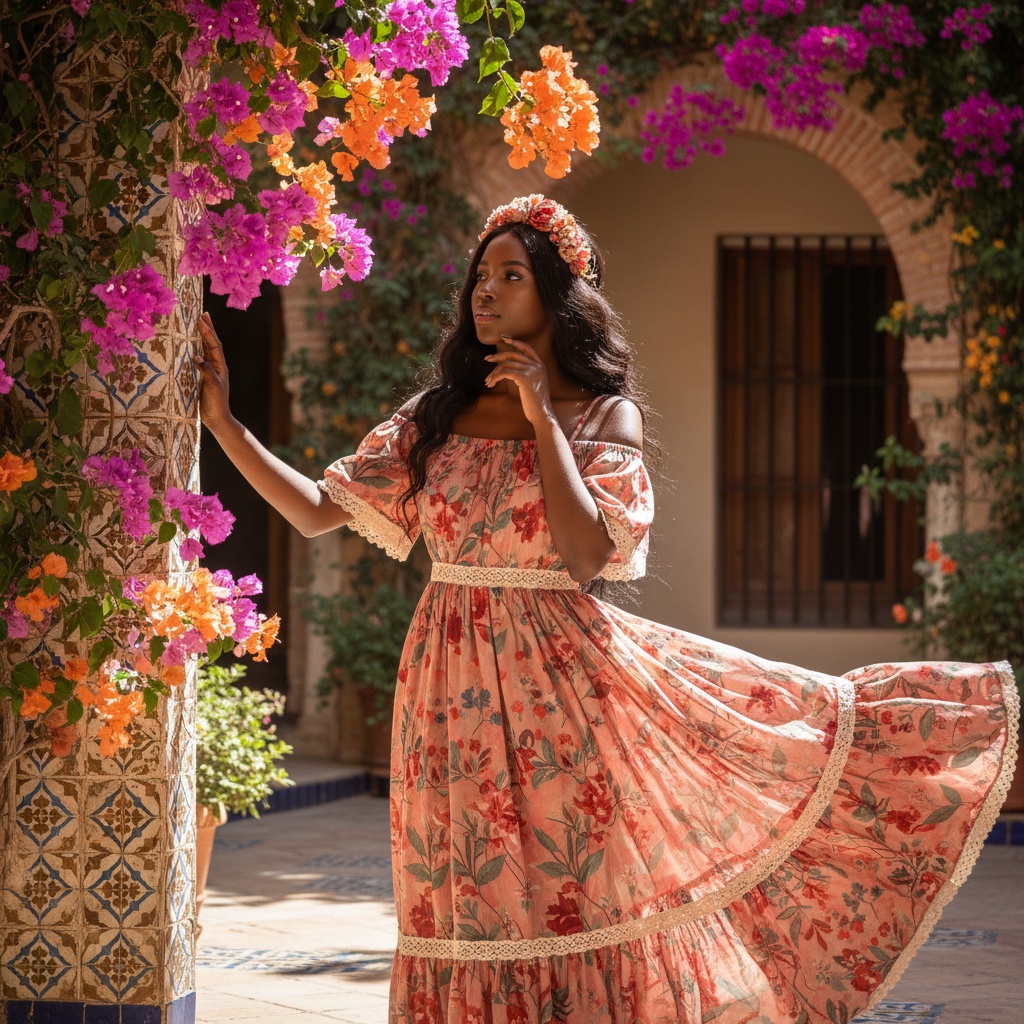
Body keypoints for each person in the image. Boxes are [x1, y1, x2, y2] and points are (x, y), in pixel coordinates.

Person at [197, 193, 1018, 1024]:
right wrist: (225, 424)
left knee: (575, 887)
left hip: (564, 686)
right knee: (459, 888)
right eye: (481, 276)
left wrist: (541, 419)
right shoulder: (434, 416)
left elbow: (588, 554)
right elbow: (317, 512)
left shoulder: (601, 414)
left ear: (557, 297)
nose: (486, 292)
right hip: (445, 684)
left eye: (511, 277)